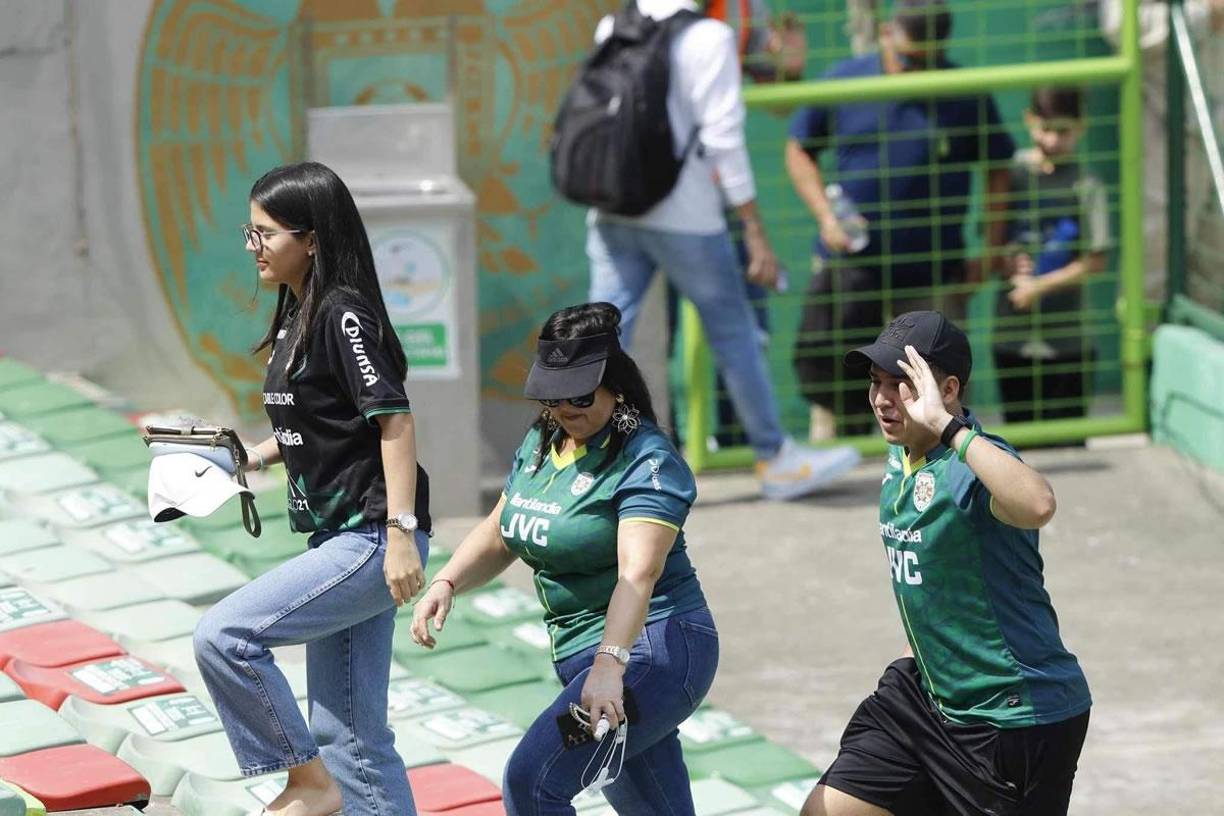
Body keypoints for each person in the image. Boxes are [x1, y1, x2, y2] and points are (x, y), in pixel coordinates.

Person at [411, 302, 719, 815]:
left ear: (614, 383)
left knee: (533, 781)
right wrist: (446, 582)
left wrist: (608, 667)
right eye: (550, 396)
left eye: (578, 395)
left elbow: (638, 575)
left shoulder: (647, 459)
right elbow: (501, 532)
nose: (564, 409)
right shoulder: (542, 441)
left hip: (651, 655)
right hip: (592, 659)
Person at [191, 161, 432, 816]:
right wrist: (243, 462)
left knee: (225, 636)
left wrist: (402, 537)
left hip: (370, 537)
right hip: (340, 534)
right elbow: (317, 429)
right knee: (351, 736)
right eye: (251, 231)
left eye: (266, 233)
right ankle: (324, 776)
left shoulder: (343, 315)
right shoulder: (301, 312)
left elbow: (394, 419)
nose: (253, 246)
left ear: (315, 238)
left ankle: (307, 782)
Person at [801, 310, 1091, 816]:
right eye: (876, 383)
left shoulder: (972, 462)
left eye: (902, 385)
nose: (882, 399)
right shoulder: (904, 453)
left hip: (1013, 720)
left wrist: (948, 428)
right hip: (928, 698)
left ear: (949, 390)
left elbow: (1038, 505)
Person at [587, 0, 861, 501]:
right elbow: (723, 140)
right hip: (686, 217)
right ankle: (774, 456)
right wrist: (753, 226)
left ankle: (582, 456)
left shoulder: (616, 24)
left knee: (603, 336)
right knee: (733, 330)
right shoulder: (709, 37)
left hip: (613, 208)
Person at [785, 0, 1015, 439]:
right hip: (851, 268)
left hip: (931, 274)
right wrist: (825, 215)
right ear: (887, 33)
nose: (915, 69)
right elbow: (798, 150)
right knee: (839, 398)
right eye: (908, 58)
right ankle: (838, 468)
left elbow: (998, 168)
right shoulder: (845, 80)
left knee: (937, 403)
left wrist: (992, 248)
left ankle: (943, 486)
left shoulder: (964, 91)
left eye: (926, 60)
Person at [994, 87, 1110, 423]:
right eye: (1046, 129)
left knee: (1068, 439)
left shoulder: (1085, 183)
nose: (1053, 140)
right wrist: (1007, 262)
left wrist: (1037, 287)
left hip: (1068, 342)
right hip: (1013, 340)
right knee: (1019, 445)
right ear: (1030, 122)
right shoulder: (1012, 174)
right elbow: (991, 241)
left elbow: (1096, 260)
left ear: (1081, 127)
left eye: (1063, 131)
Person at [1100, 0, 1224, 311]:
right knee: (1154, 263)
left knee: (1215, 273)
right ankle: (1146, 356)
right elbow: (1120, 26)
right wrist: (1206, 14)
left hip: (1216, 128)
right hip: (1165, 126)